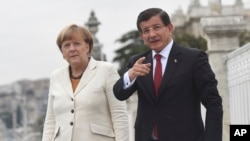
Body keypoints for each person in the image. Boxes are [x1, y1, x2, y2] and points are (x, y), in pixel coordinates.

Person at [113, 8, 223, 141]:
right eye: (146, 31)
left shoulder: (193, 58)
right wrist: (130, 75)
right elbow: (119, 94)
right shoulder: (138, 62)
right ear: (141, 36)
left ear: (170, 28)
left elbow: (213, 104)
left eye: (157, 27)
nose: (152, 34)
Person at [42, 24, 129, 141]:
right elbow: (50, 121)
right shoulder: (56, 77)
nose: (72, 49)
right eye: (66, 45)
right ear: (62, 52)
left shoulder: (106, 70)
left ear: (87, 47)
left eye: (77, 44)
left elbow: (119, 116)